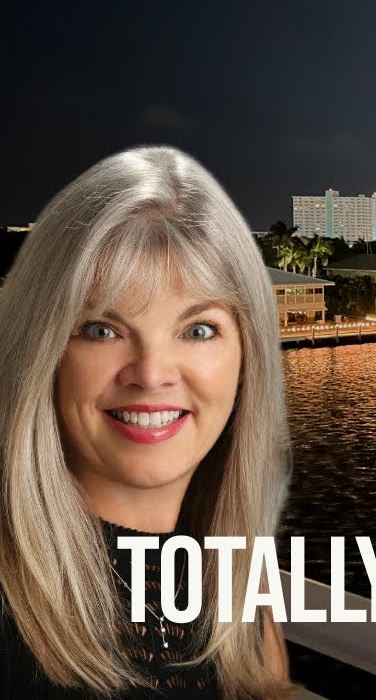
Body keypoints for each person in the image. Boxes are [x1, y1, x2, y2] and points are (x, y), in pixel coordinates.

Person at [0, 147, 297, 698]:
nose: (151, 373)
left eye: (199, 330)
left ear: (246, 356)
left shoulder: (240, 602)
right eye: (101, 329)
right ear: (43, 353)